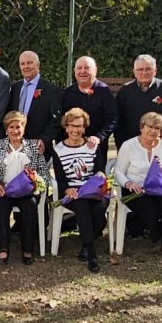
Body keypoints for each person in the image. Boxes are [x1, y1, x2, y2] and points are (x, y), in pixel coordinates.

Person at [0, 111, 48, 265]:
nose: (15, 131)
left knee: (31, 206)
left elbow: (44, 172)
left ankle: (28, 249)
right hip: (3, 190)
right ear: (6, 130)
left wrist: (36, 183)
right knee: (1, 207)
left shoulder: (33, 146)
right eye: (11, 127)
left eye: (18, 127)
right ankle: (3, 250)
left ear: (23, 129)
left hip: (26, 192)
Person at [114, 112, 162, 263]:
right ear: (141, 127)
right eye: (149, 127)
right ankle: (156, 233)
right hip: (135, 190)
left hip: (160, 189)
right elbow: (118, 172)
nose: (153, 131)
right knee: (149, 207)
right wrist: (128, 183)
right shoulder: (128, 145)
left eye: (157, 128)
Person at [53, 108, 107, 272]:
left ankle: (87, 239)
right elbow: (60, 178)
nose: (75, 130)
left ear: (84, 128)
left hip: (93, 189)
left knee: (100, 208)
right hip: (73, 191)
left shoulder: (91, 146)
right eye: (72, 126)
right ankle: (90, 251)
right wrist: (67, 189)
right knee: (82, 205)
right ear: (66, 127)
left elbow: (100, 170)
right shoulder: (59, 150)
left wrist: (99, 180)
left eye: (79, 126)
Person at [61, 56, 117, 172]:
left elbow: (112, 119)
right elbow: (61, 120)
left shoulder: (104, 91)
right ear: (74, 71)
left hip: (96, 148)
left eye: (87, 68)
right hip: (71, 148)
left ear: (95, 71)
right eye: (79, 68)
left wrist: (99, 137)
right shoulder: (67, 93)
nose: (82, 71)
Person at [116, 54, 162, 149]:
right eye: (140, 69)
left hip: (159, 143)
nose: (144, 73)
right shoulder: (125, 91)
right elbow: (118, 120)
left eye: (148, 69)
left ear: (155, 71)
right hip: (131, 144)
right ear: (134, 72)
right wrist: (122, 145)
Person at [8, 50, 61, 154]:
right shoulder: (14, 88)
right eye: (22, 64)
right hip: (15, 147)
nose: (26, 66)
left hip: (38, 148)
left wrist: (44, 140)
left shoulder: (52, 90)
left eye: (29, 63)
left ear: (38, 65)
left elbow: (56, 121)